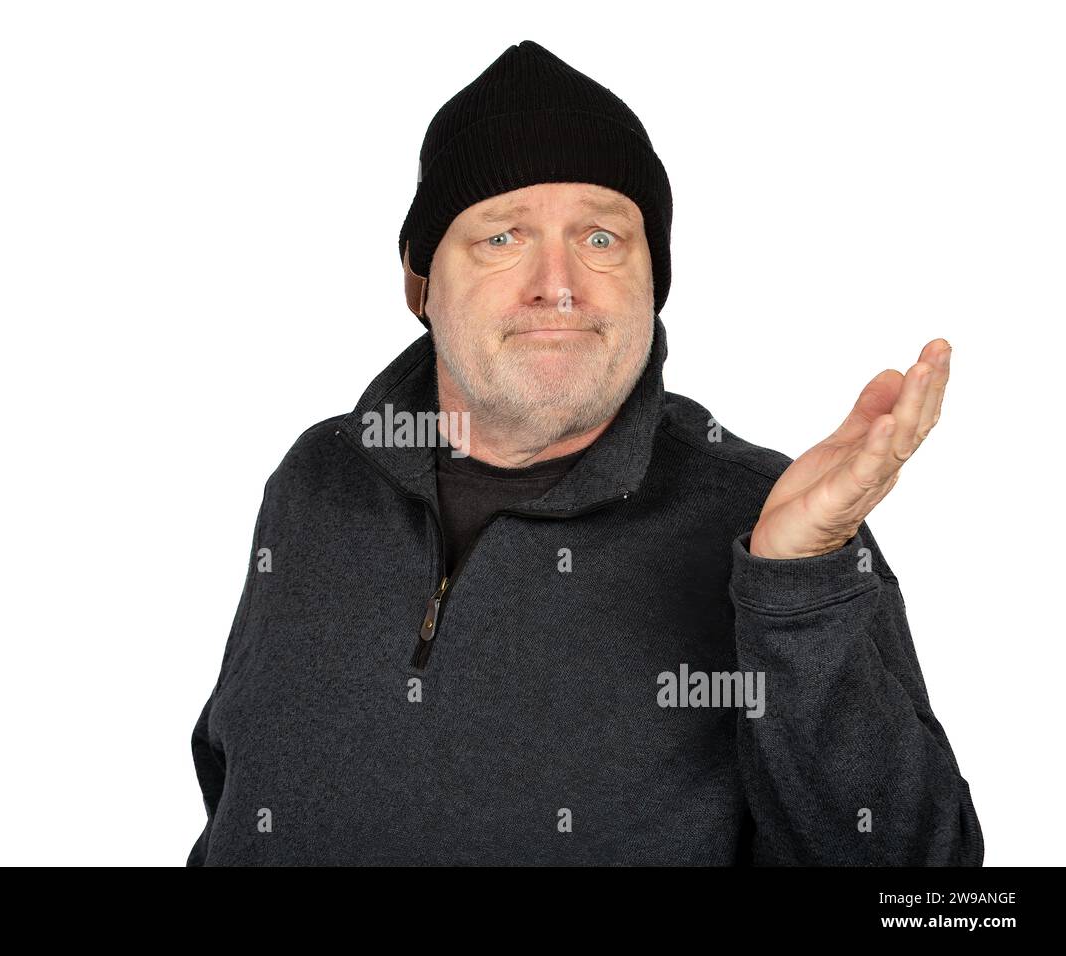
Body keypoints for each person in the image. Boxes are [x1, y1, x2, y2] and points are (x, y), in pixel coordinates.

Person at [186, 39, 983, 866]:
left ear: (651, 276)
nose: (557, 284)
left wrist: (798, 587)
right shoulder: (320, 480)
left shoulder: (766, 522)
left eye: (602, 238)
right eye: (502, 238)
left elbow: (921, 881)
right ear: (419, 283)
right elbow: (235, 796)